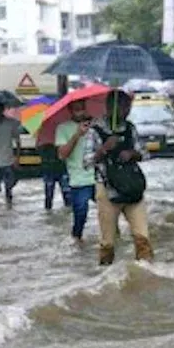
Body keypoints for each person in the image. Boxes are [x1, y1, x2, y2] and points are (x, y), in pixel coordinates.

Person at [90, 91, 153, 265]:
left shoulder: (130, 128)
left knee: (142, 237)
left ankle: (146, 274)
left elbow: (146, 154)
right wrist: (104, 149)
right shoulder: (95, 130)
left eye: (128, 107)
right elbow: (85, 162)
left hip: (132, 187)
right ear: (110, 107)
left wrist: (133, 153)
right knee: (108, 242)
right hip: (107, 189)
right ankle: (105, 275)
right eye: (123, 107)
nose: (126, 111)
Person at [55, 100, 97, 245]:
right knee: (80, 215)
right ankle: (77, 242)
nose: (80, 111)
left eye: (82, 108)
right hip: (79, 180)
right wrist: (77, 135)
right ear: (70, 110)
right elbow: (62, 155)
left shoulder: (95, 126)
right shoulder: (63, 128)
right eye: (76, 109)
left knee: (110, 212)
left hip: (99, 177)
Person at [40, 141, 70, 212]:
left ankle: (48, 213)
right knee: (66, 195)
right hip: (52, 169)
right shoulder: (44, 139)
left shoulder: (44, 137)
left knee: (66, 196)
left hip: (56, 169)